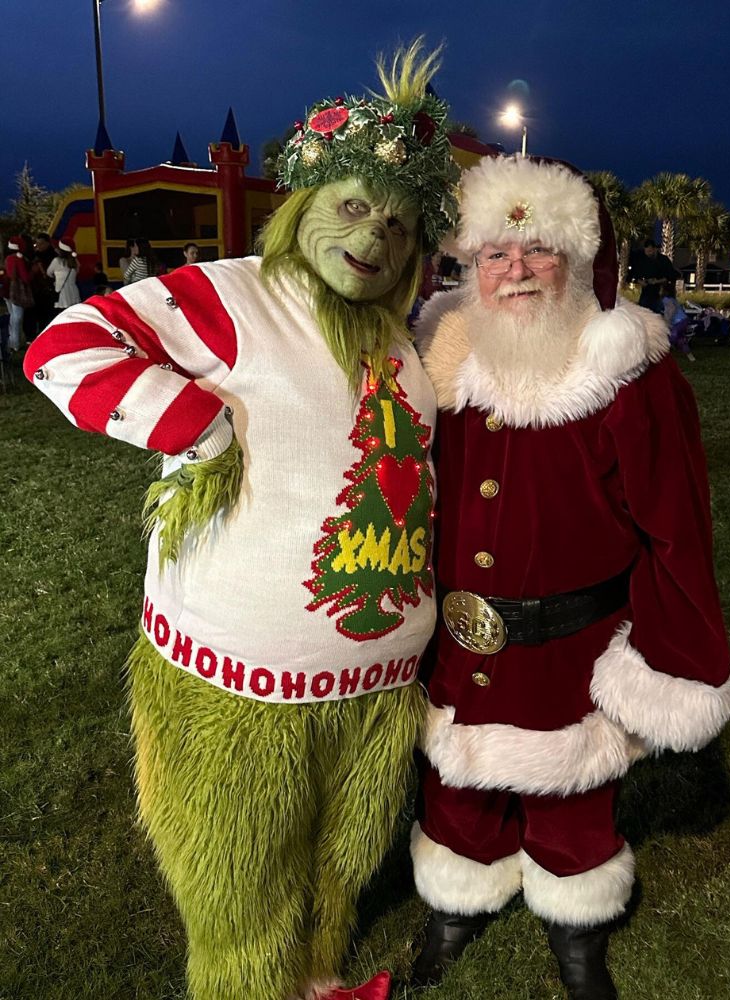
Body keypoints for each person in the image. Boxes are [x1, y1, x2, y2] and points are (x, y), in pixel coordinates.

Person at [24, 40, 458, 1000]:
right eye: (352, 206)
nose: (374, 239)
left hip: (378, 684)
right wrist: (196, 425)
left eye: (397, 223)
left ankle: (317, 982)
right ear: (303, 203)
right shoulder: (234, 296)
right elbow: (65, 345)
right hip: (240, 689)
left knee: (336, 878)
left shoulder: (405, 338)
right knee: (243, 898)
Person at [410, 154, 730, 1000]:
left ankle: (576, 924)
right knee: (456, 782)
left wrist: (674, 655)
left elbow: (677, 525)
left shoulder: (628, 372)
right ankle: (456, 902)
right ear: (470, 265)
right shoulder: (443, 360)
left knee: (573, 794)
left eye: (537, 251)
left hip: (573, 645)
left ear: (578, 259)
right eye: (494, 254)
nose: (514, 271)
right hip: (458, 640)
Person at [629, 238, 680, 312]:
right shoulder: (643, 260)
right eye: (646, 252)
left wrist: (657, 281)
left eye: (650, 251)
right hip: (646, 293)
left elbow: (671, 275)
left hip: (661, 293)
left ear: (655, 249)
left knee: (659, 312)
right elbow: (635, 274)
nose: (648, 254)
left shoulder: (663, 260)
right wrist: (640, 281)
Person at [4, 236, 33, 352]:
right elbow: (25, 278)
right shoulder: (18, 259)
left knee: (12, 316)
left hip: (8, 289)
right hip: (18, 291)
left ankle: (12, 341)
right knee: (17, 317)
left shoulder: (7, 259)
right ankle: (16, 343)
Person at [660, 283, 695, 360]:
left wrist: (667, 321)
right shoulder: (673, 299)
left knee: (672, 337)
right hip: (684, 320)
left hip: (678, 321)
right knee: (680, 338)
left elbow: (671, 309)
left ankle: (663, 356)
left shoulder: (666, 299)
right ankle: (690, 356)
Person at [31, 233, 57, 333]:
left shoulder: (53, 256)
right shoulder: (36, 256)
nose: (39, 246)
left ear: (47, 243)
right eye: (37, 243)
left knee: (49, 314)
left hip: (49, 289)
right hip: (37, 289)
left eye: (41, 243)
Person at [47, 238, 81, 312]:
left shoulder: (56, 261)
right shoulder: (75, 262)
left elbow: (49, 273)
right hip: (73, 293)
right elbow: (77, 272)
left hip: (61, 294)